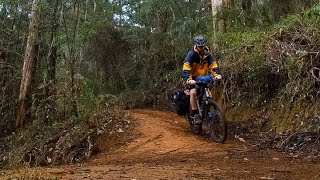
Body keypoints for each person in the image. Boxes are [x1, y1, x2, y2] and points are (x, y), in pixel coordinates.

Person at [182, 35, 222, 122]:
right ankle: (195, 113)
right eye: (199, 46)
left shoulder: (207, 55)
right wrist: (188, 80)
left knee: (208, 94)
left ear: (204, 45)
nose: (201, 48)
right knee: (193, 93)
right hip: (192, 78)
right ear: (196, 45)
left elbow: (213, 66)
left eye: (202, 46)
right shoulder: (191, 54)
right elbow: (186, 68)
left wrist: (217, 75)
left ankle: (210, 112)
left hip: (202, 78)